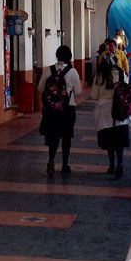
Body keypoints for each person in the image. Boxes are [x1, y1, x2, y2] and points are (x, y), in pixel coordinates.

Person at [38, 45, 82, 175]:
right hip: (68, 109)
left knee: (53, 136)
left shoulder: (49, 69)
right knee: (66, 137)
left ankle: (51, 161)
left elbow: (40, 88)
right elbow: (78, 92)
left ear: (57, 56)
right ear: (69, 56)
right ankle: (65, 164)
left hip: (51, 110)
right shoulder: (72, 71)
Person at [95, 84, 131, 179]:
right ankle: (120, 164)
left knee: (110, 139)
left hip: (105, 110)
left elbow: (94, 94)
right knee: (119, 140)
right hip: (120, 108)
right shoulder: (120, 75)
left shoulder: (100, 76)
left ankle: (112, 165)